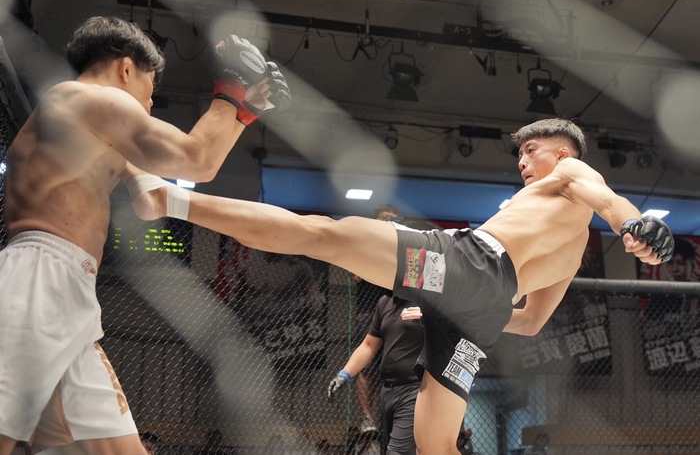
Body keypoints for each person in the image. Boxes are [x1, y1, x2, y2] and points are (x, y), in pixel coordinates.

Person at [126, 118, 673, 454]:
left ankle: (168, 199)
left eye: (532, 150)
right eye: (521, 154)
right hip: (479, 312)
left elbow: (610, 201)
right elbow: (529, 321)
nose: (523, 161)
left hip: (468, 266)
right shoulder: (573, 253)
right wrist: (450, 306)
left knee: (321, 235)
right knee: (437, 447)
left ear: (563, 154)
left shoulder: (571, 174)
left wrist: (635, 225)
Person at [0, 15, 290, 455]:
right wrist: (231, 84)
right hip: (39, 281)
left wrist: (244, 110)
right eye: (150, 87)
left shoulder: (90, 129)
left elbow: (160, 192)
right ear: (125, 68)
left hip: (70, 292)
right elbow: (195, 159)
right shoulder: (85, 98)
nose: (151, 102)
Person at [327, 295, 424, 454]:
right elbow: (369, 345)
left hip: (416, 389)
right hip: (388, 391)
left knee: (398, 451)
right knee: (389, 448)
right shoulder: (385, 302)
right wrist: (344, 374)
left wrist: (431, 319)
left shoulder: (430, 300)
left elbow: (457, 325)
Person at [350, 204, 402, 434]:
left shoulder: (403, 246)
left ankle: (397, 416)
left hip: (396, 310)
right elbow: (356, 276)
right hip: (369, 311)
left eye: (392, 219)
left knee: (398, 366)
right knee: (367, 367)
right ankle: (367, 419)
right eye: (383, 218)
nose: (388, 222)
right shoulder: (365, 243)